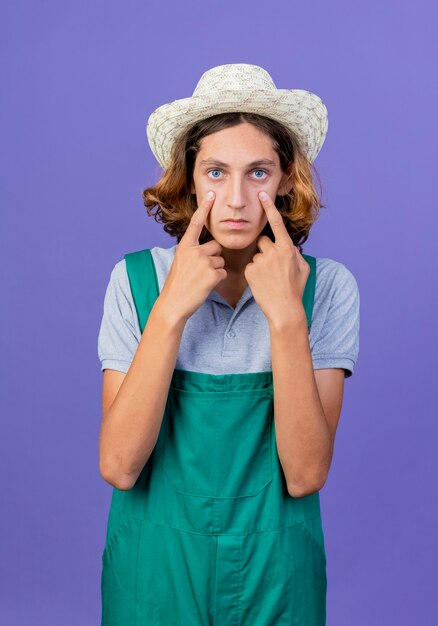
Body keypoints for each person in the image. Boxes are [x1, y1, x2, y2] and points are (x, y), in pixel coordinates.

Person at [97, 63, 360, 625]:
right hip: (154, 575)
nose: (236, 198)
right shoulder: (136, 282)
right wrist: (170, 312)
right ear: (190, 178)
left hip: (277, 575)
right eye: (216, 172)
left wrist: (288, 316)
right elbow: (119, 465)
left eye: (258, 172)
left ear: (287, 179)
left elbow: (305, 474)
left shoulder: (329, 287)